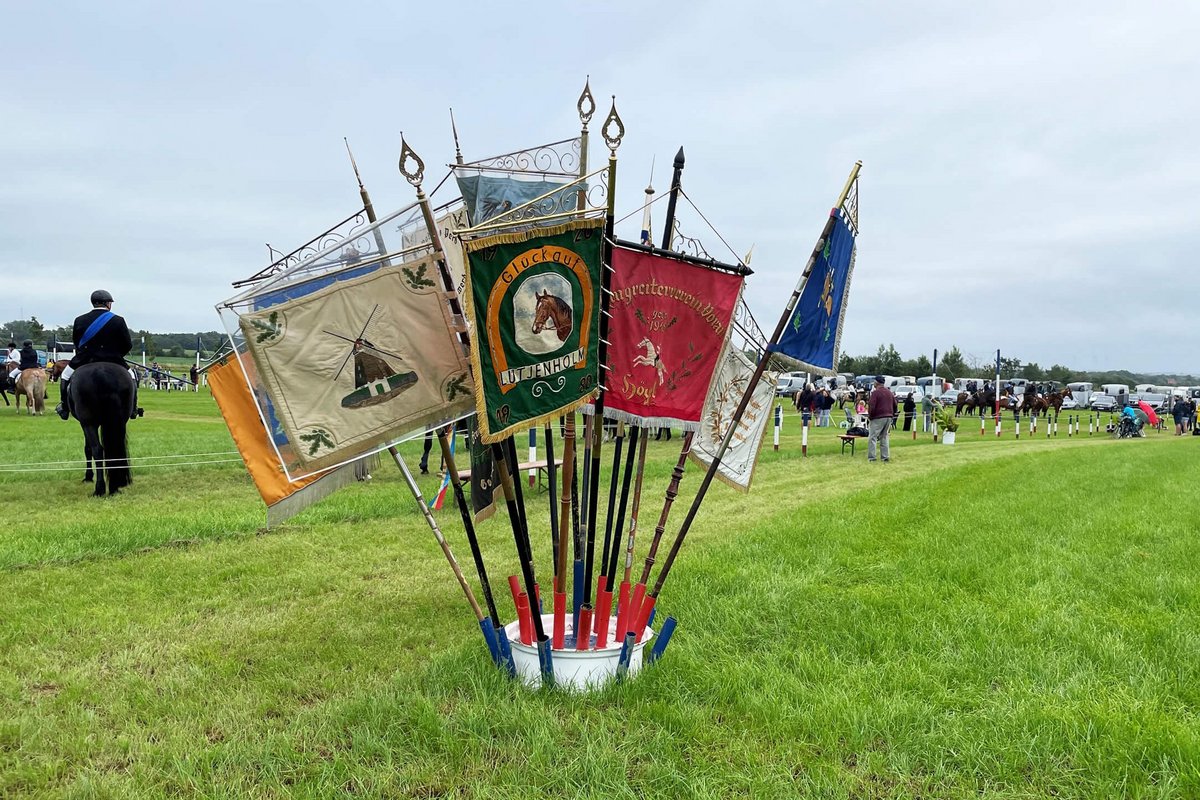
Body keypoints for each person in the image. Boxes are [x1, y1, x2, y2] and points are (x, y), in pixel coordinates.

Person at [56, 289, 142, 421]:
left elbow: (77, 342)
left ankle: (64, 407)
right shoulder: (118, 320)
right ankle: (133, 408)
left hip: (85, 359)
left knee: (65, 375)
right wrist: (117, 355)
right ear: (108, 303)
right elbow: (127, 344)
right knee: (132, 377)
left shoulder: (79, 320)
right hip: (113, 359)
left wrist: (84, 354)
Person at [867, 375, 895, 462]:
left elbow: (872, 406)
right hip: (888, 416)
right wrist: (892, 414)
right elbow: (895, 404)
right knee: (884, 437)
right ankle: (885, 457)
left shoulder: (875, 393)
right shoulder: (889, 392)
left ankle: (872, 457)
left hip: (878, 417)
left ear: (876, 383)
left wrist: (870, 416)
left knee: (873, 437)